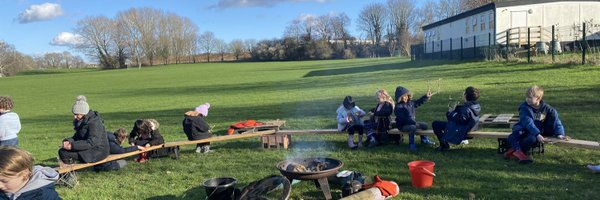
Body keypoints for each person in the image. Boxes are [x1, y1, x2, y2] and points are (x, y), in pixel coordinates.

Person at [504, 85, 565, 164]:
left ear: (538, 98)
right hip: (523, 129)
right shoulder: (525, 108)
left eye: (530, 98)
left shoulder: (547, 109)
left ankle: (516, 151)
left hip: (534, 133)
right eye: (526, 97)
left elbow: (556, 121)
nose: (527, 99)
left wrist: (559, 133)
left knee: (532, 139)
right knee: (512, 137)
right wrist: (537, 134)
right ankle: (520, 152)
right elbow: (528, 122)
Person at [58, 95, 109, 164]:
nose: (74, 117)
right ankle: (70, 168)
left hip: (98, 151)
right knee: (62, 151)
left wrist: (72, 146)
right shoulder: (82, 121)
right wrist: (68, 141)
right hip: (89, 148)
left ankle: (70, 171)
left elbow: (92, 142)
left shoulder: (95, 122)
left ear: (83, 113)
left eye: (76, 114)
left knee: (65, 153)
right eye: (74, 114)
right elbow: (77, 136)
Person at [432, 86, 481, 151]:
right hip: (471, 127)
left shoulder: (466, 108)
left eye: (464, 93)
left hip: (462, 129)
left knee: (435, 124)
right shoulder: (476, 105)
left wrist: (451, 112)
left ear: (466, 95)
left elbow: (460, 120)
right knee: (441, 124)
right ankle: (444, 143)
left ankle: (444, 145)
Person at [394, 86, 436, 151]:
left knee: (425, 125)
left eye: (406, 96)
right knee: (412, 127)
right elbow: (403, 119)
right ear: (399, 98)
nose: (404, 98)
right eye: (402, 97)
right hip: (403, 126)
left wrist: (426, 97)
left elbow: (419, 102)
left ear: (408, 95)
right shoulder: (398, 107)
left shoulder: (411, 102)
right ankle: (412, 144)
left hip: (412, 123)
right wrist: (414, 123)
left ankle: (424, 139)